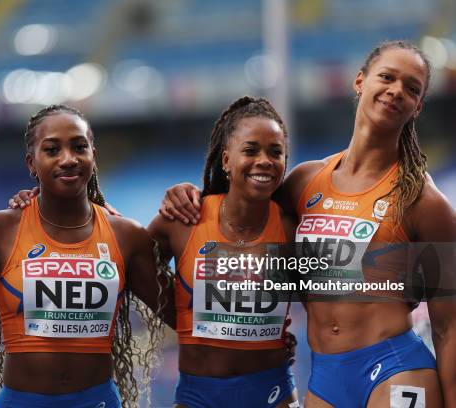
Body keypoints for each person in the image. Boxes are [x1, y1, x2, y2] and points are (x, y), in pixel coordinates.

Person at [160, 41, 456, 407]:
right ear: (360, 82)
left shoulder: (424, 201)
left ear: (418, 106)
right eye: (387, 77)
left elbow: (449, 327)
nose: (397, 90)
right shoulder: (304, 182)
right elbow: (245, 229)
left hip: (395, 366)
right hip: (326, 378)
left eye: (412, 88)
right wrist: (189, 194)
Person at [0, 104, 172, 408]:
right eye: (52, 150)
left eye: (79, 147)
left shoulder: (125, 235)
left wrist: (177, 220)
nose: (68, 159)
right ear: (31, 162)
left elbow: (183, 313)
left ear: (93, 154)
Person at [146, 96, 298, 408]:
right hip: (198, 397)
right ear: (226, 160)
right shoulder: (183, 220)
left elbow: (333, 295)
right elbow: (126, 262)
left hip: (274, 393)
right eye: (250, 150)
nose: (264, 160)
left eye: (275, 152)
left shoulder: (293, 229)